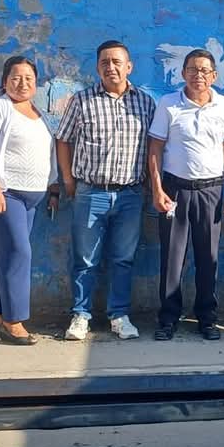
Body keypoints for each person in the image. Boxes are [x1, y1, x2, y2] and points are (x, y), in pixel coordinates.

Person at [54, 40, 156, 341]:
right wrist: (68, 179)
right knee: (85, 259)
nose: (110, 67)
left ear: (129, 67)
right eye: (104, 62)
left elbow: (154, 146)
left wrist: (152, 184)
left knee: (123, 258)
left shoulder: (145, 103)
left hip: (131, 194)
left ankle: (119, 315)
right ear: (98, 68)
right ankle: (81, 315)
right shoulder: (82, 100)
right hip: (90, 193)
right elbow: (63, 139)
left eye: (116, 62)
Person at [147, 49, 224, 341]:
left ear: (214, 75)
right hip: (174, 191)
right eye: (192, 69)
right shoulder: (168, 104)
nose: (198, 75)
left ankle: (207, 319)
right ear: (183, 73)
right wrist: (157, 188)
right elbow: (155, 148)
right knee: (172, 258)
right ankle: (168, 319)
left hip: (211, 190)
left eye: (204, 70)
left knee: (207, 257)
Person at [0, 56, 58, 346]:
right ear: (5, 81)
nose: (22, 83)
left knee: (5, 253)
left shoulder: (38, 114)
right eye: (16, 78)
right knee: (20, 252)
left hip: (31, 197)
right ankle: (13, 321)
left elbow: (46, 155)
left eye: (28, 78)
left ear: (36, 83)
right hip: (5, 193)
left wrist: (53, 188)